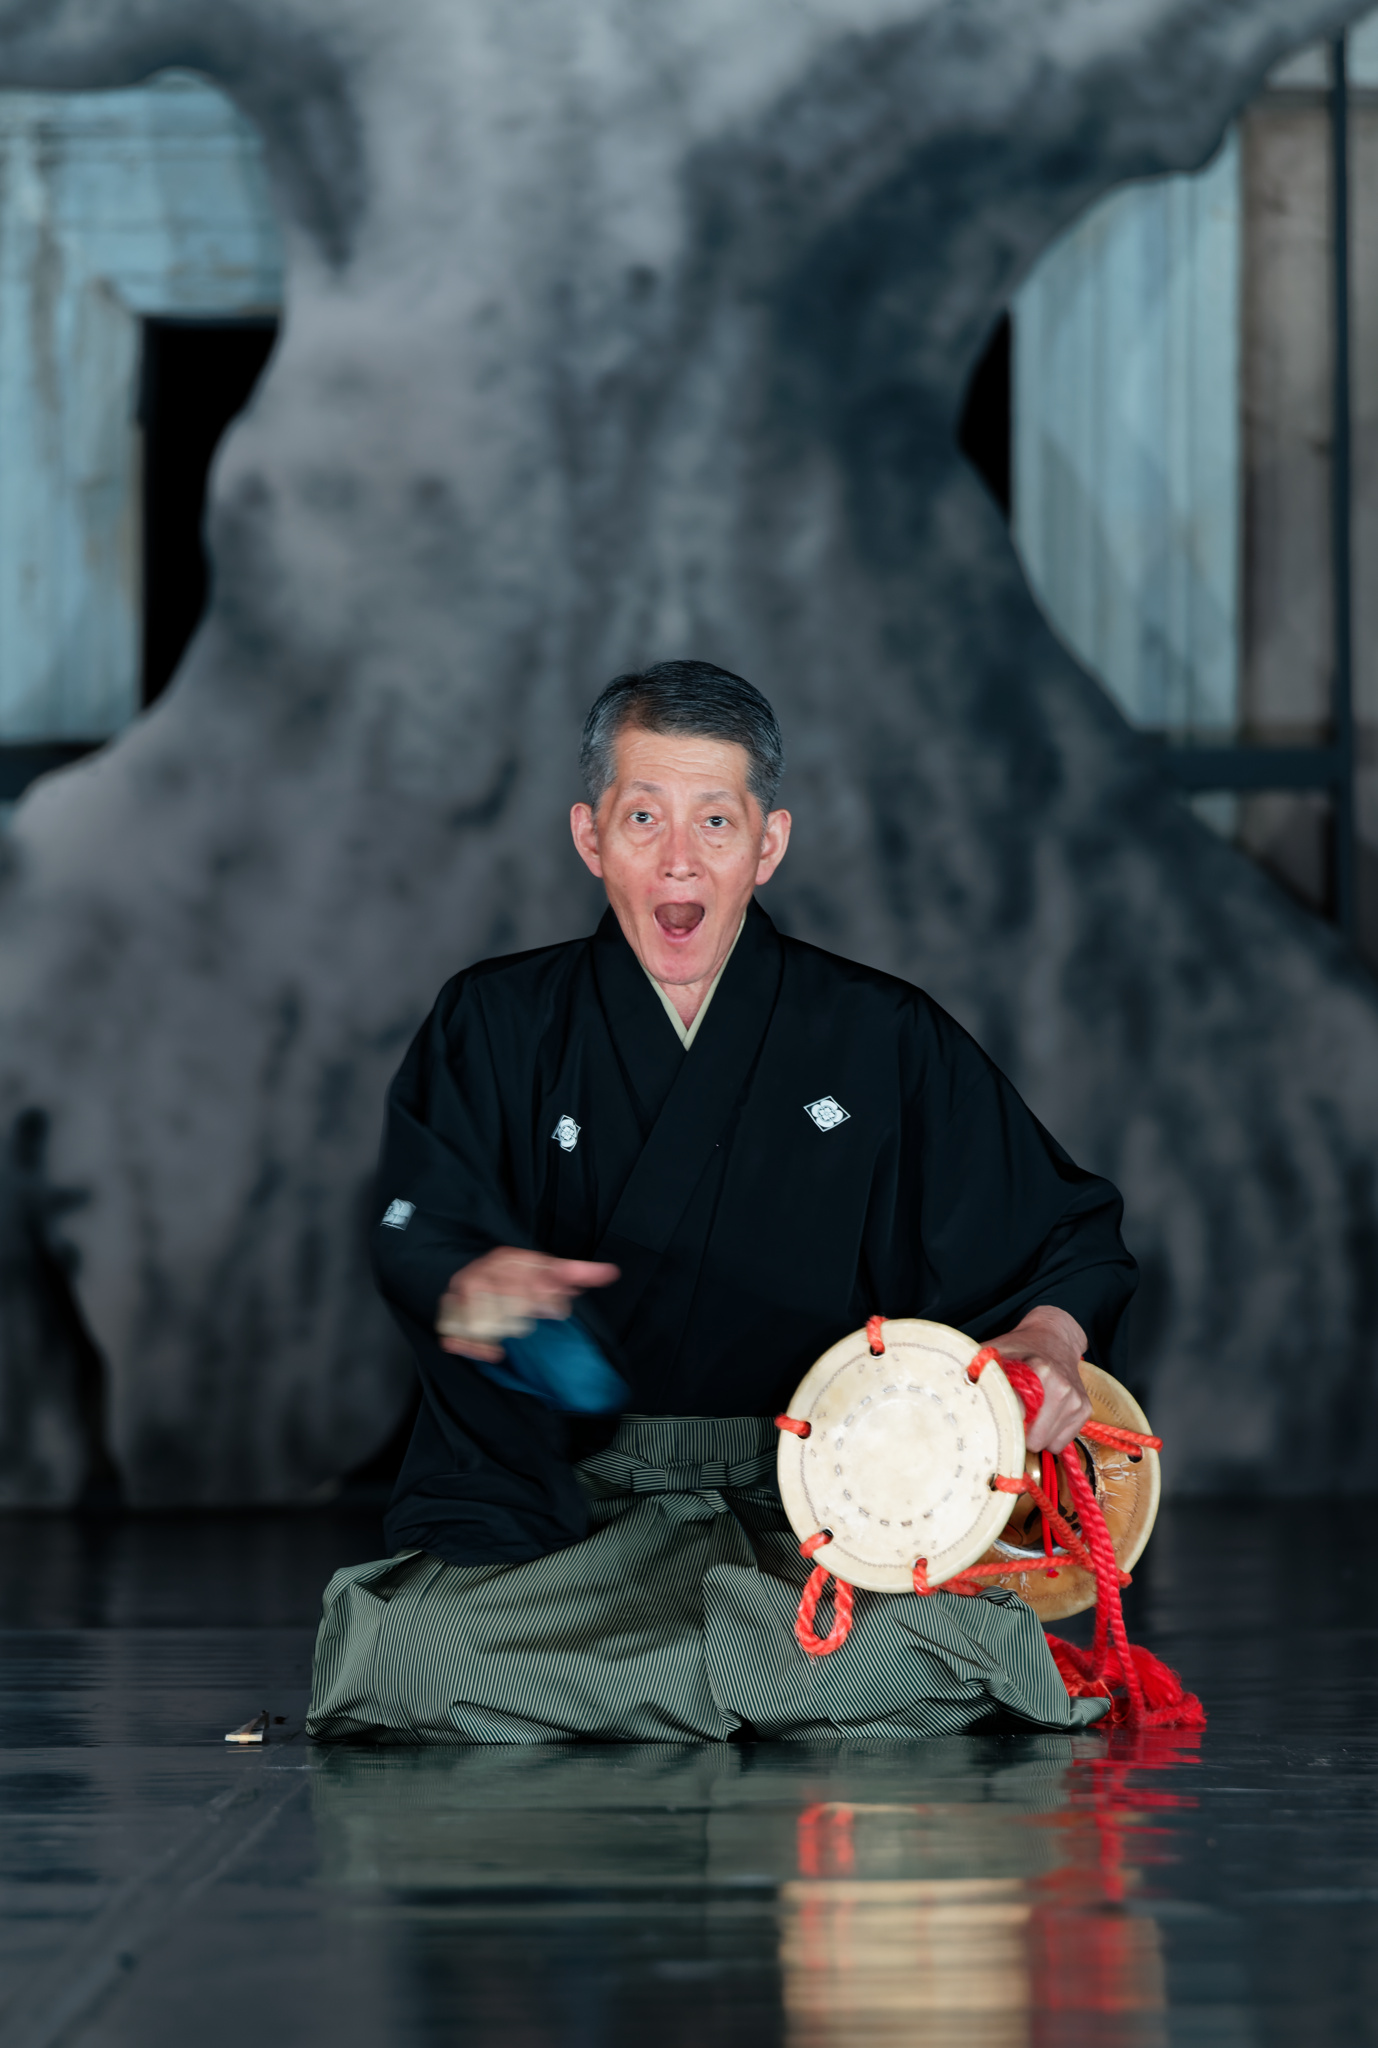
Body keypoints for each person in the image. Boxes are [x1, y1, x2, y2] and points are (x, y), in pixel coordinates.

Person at [307, 661, 1136, 1742]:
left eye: (715, 819)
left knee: (967, 1640)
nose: (678, 858)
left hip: (812, 1504)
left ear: (768, 844)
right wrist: (469, 1280)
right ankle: (764, 1688)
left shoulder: (880, 1034)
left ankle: (631, 1694)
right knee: (406, 1650)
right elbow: (418, 1219)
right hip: (568, 1507)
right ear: (589, 836)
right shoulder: (496, 1020)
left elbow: (1064, 1232)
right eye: (642, 817)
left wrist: (1048, 1337)